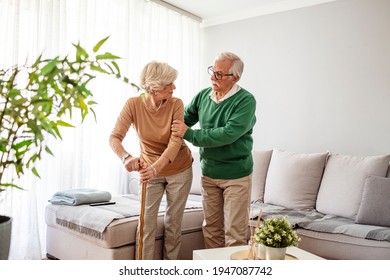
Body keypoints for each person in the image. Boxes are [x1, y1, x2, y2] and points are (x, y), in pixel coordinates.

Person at [171, 52, 256, 249]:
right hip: (209, 173)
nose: (212, 78)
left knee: (235, 233)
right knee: (211, 229)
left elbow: (226, 134)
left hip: (236, 176)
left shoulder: (245, 101)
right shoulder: (203, 96)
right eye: (212, 71)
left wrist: (190, 135)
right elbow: (184, 118)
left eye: (219, 74)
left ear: (235, 77)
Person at [109, 61, 193, 260]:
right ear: (155, 88)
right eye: (169, 84)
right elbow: (114, 137)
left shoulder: (176, 104)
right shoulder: (133, 104)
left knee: (173, 223)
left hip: (179, 169)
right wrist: (126, 157)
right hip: (149, 171)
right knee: (146, 223)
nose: (174, 88)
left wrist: (156, 168)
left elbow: (175, 143)